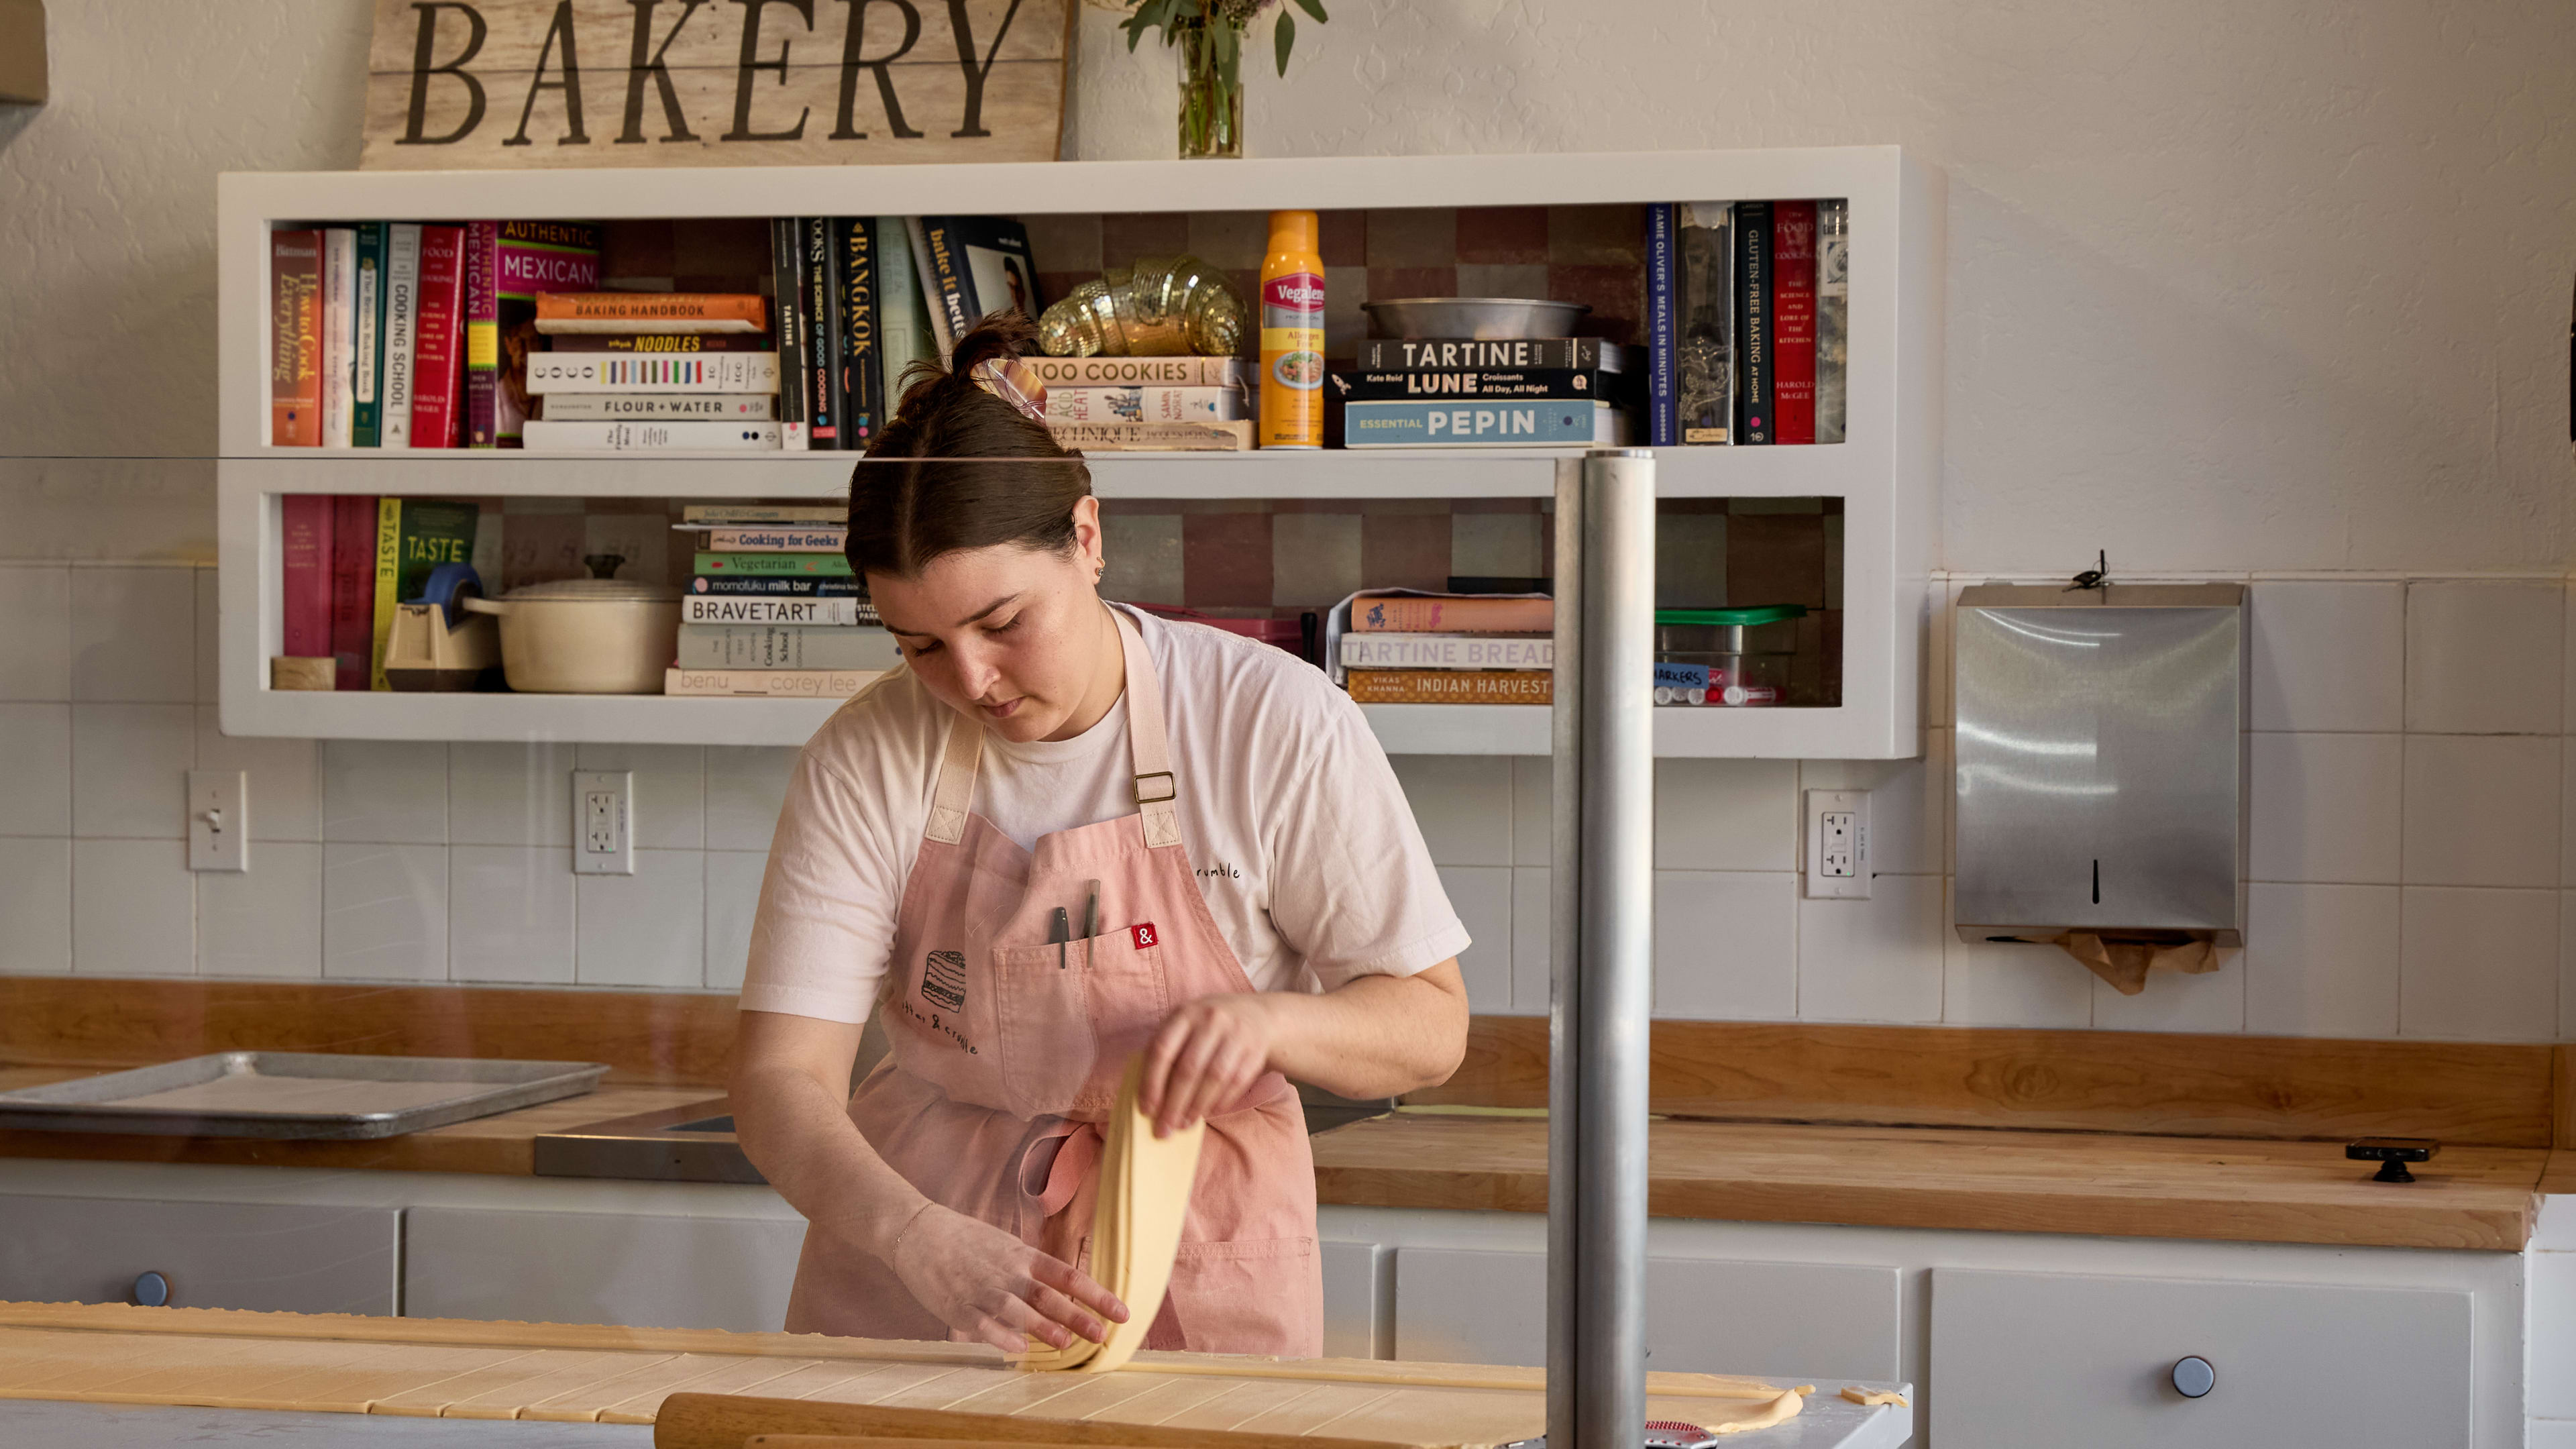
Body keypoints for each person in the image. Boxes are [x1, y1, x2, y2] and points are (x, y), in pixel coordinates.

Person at [730, 315, 1472, 1358]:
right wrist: (913, 1236)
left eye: (1002, 624)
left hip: (1198, 1257)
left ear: (1086, 537)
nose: (971, 682)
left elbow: (1432, 1027)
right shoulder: (868, 756)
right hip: (921, 1263)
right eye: (919, 646)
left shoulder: (1272, 721)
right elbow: (778, 1082)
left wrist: (1272, 1029)